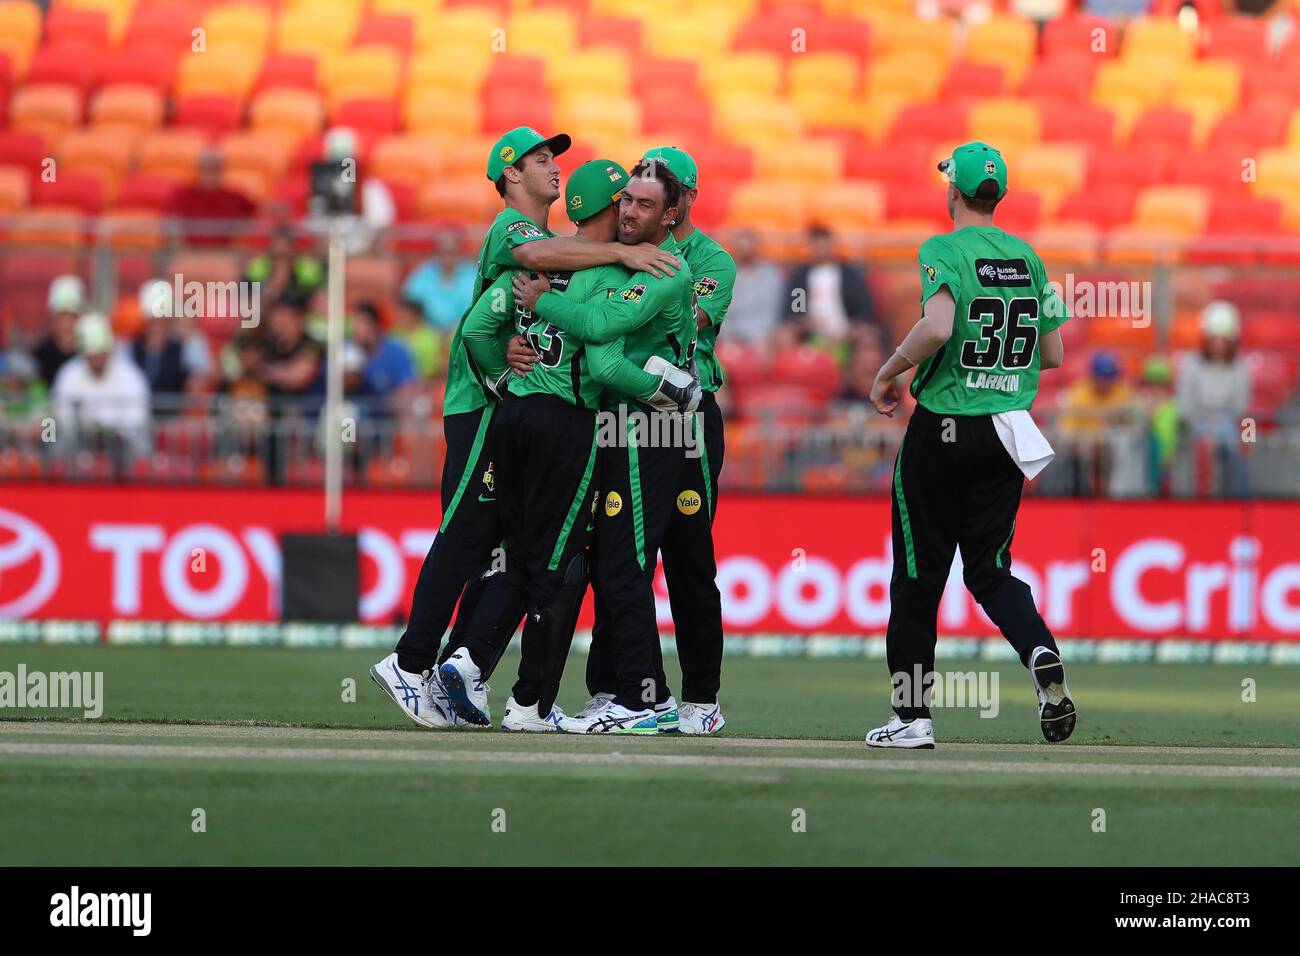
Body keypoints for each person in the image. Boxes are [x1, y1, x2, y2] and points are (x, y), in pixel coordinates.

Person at [369, 126, 681, 730]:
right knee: (486, 540)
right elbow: (556, 328)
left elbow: (482, 320)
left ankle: (456, 672)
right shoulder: (521, 236)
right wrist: (493, 375)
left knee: (495, 546)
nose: (553, 168)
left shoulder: (554, 250)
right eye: (541, 159)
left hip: (502, 414)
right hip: (496, 412)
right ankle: (428, 667)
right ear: (511, 174)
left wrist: (504, 360)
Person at [448, 159, 698, 731]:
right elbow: (605, 351)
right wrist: (673, 391)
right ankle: (534, 701)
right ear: (609, 209)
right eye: (625, 203)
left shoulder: (545, 263)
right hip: (583, 426)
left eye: (641, 204)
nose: (630, 214)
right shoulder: (607, 272)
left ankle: (465, 660)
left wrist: (500, 372)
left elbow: (475, 328)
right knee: (563, 565)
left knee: (515, 551)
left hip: (513, 415)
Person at [864, 141, 1076, 749]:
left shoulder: (943, 249)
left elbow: (936, 325)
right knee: (991, 571)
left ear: (951, 190)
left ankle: (912, 718)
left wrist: (888, 372)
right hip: (1008, 430)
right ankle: (1039, 651)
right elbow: (1055, 352)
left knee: (917, 575)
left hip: (944, 427)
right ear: (999, 194)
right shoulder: (1027, 257)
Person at [571, 146, 733, 735]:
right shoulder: (626, 247)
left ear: (683, 201)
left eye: (655, 196)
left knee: (688, 560)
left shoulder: (707, 259)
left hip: (684, 413)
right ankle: (617, 687)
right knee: (619, 551)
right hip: (628, 410)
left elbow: (678, 322)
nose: (632, 207)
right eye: (630, 198)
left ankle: (701, 698)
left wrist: (610, 297)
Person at [51, 312, 152, 462]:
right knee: (54, 441)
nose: (97, 358)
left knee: (140, 445)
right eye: (92, 354)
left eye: (100, 353)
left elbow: (137, 418)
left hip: (122, 449)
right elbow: (61, 414)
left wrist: (109, 431)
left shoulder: (130, 376)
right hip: (79, 446)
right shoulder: (68, 375)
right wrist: (89, 431)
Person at [1177, 300, 1252, 497]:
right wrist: (1203, 427)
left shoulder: (1240, 368)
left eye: (1223, 339)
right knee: (1203, 445)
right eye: (1214, 338)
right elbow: (1185, 406)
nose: (1219, 344)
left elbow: (1241, 409)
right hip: (1196, 424)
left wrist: (1246, 439)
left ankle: (1238, 498)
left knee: (1239, 442)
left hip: (1227, 425)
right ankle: (1197, 499)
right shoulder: (1191, 365)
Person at [779, 224, 878, 354]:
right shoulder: (802, 277)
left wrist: (853, 329)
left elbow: (863, 307)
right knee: (784, 335)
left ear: (833, 246)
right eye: (817, 246)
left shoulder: (850, 275)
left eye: (825, 245)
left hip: (846, 333)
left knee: (868, 337)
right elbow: (796, 311)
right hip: (812, 333)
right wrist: (806, 323)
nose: (821, 250)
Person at [166, 146, 256, 246]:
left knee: (258, 261)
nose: (209, 174)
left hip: (226, 255)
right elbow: (171, 222)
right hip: (189, 255)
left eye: (214, 169)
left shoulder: (235, 197)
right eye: (205, 169)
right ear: (198, 170)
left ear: (221, 171)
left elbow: (256, 213)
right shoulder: (182, 196)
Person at [401, 231, 477, 331]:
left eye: (452, 252)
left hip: (462, 330)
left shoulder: (470, 274)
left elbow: (475, 308)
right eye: (442, 252)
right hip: (426, 330)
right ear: (436, 253)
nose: (447, 257)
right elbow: (410, 302)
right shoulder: (423, 273)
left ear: (460, 253)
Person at [723, 228, 785, 351]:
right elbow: (722, 314)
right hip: (732, 338)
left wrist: (762, 336)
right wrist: (731, 337)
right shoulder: (726, 277)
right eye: (742, 248)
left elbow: (774, 310)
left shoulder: (772, 275)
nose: (746, 252)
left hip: (764, 337)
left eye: (749, 248)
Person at [33, 275, 84, 388]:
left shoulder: (90, 357)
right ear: (52, 320)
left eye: (73, 317)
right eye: (62, 317)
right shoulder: (40, 357)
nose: (67, 325)